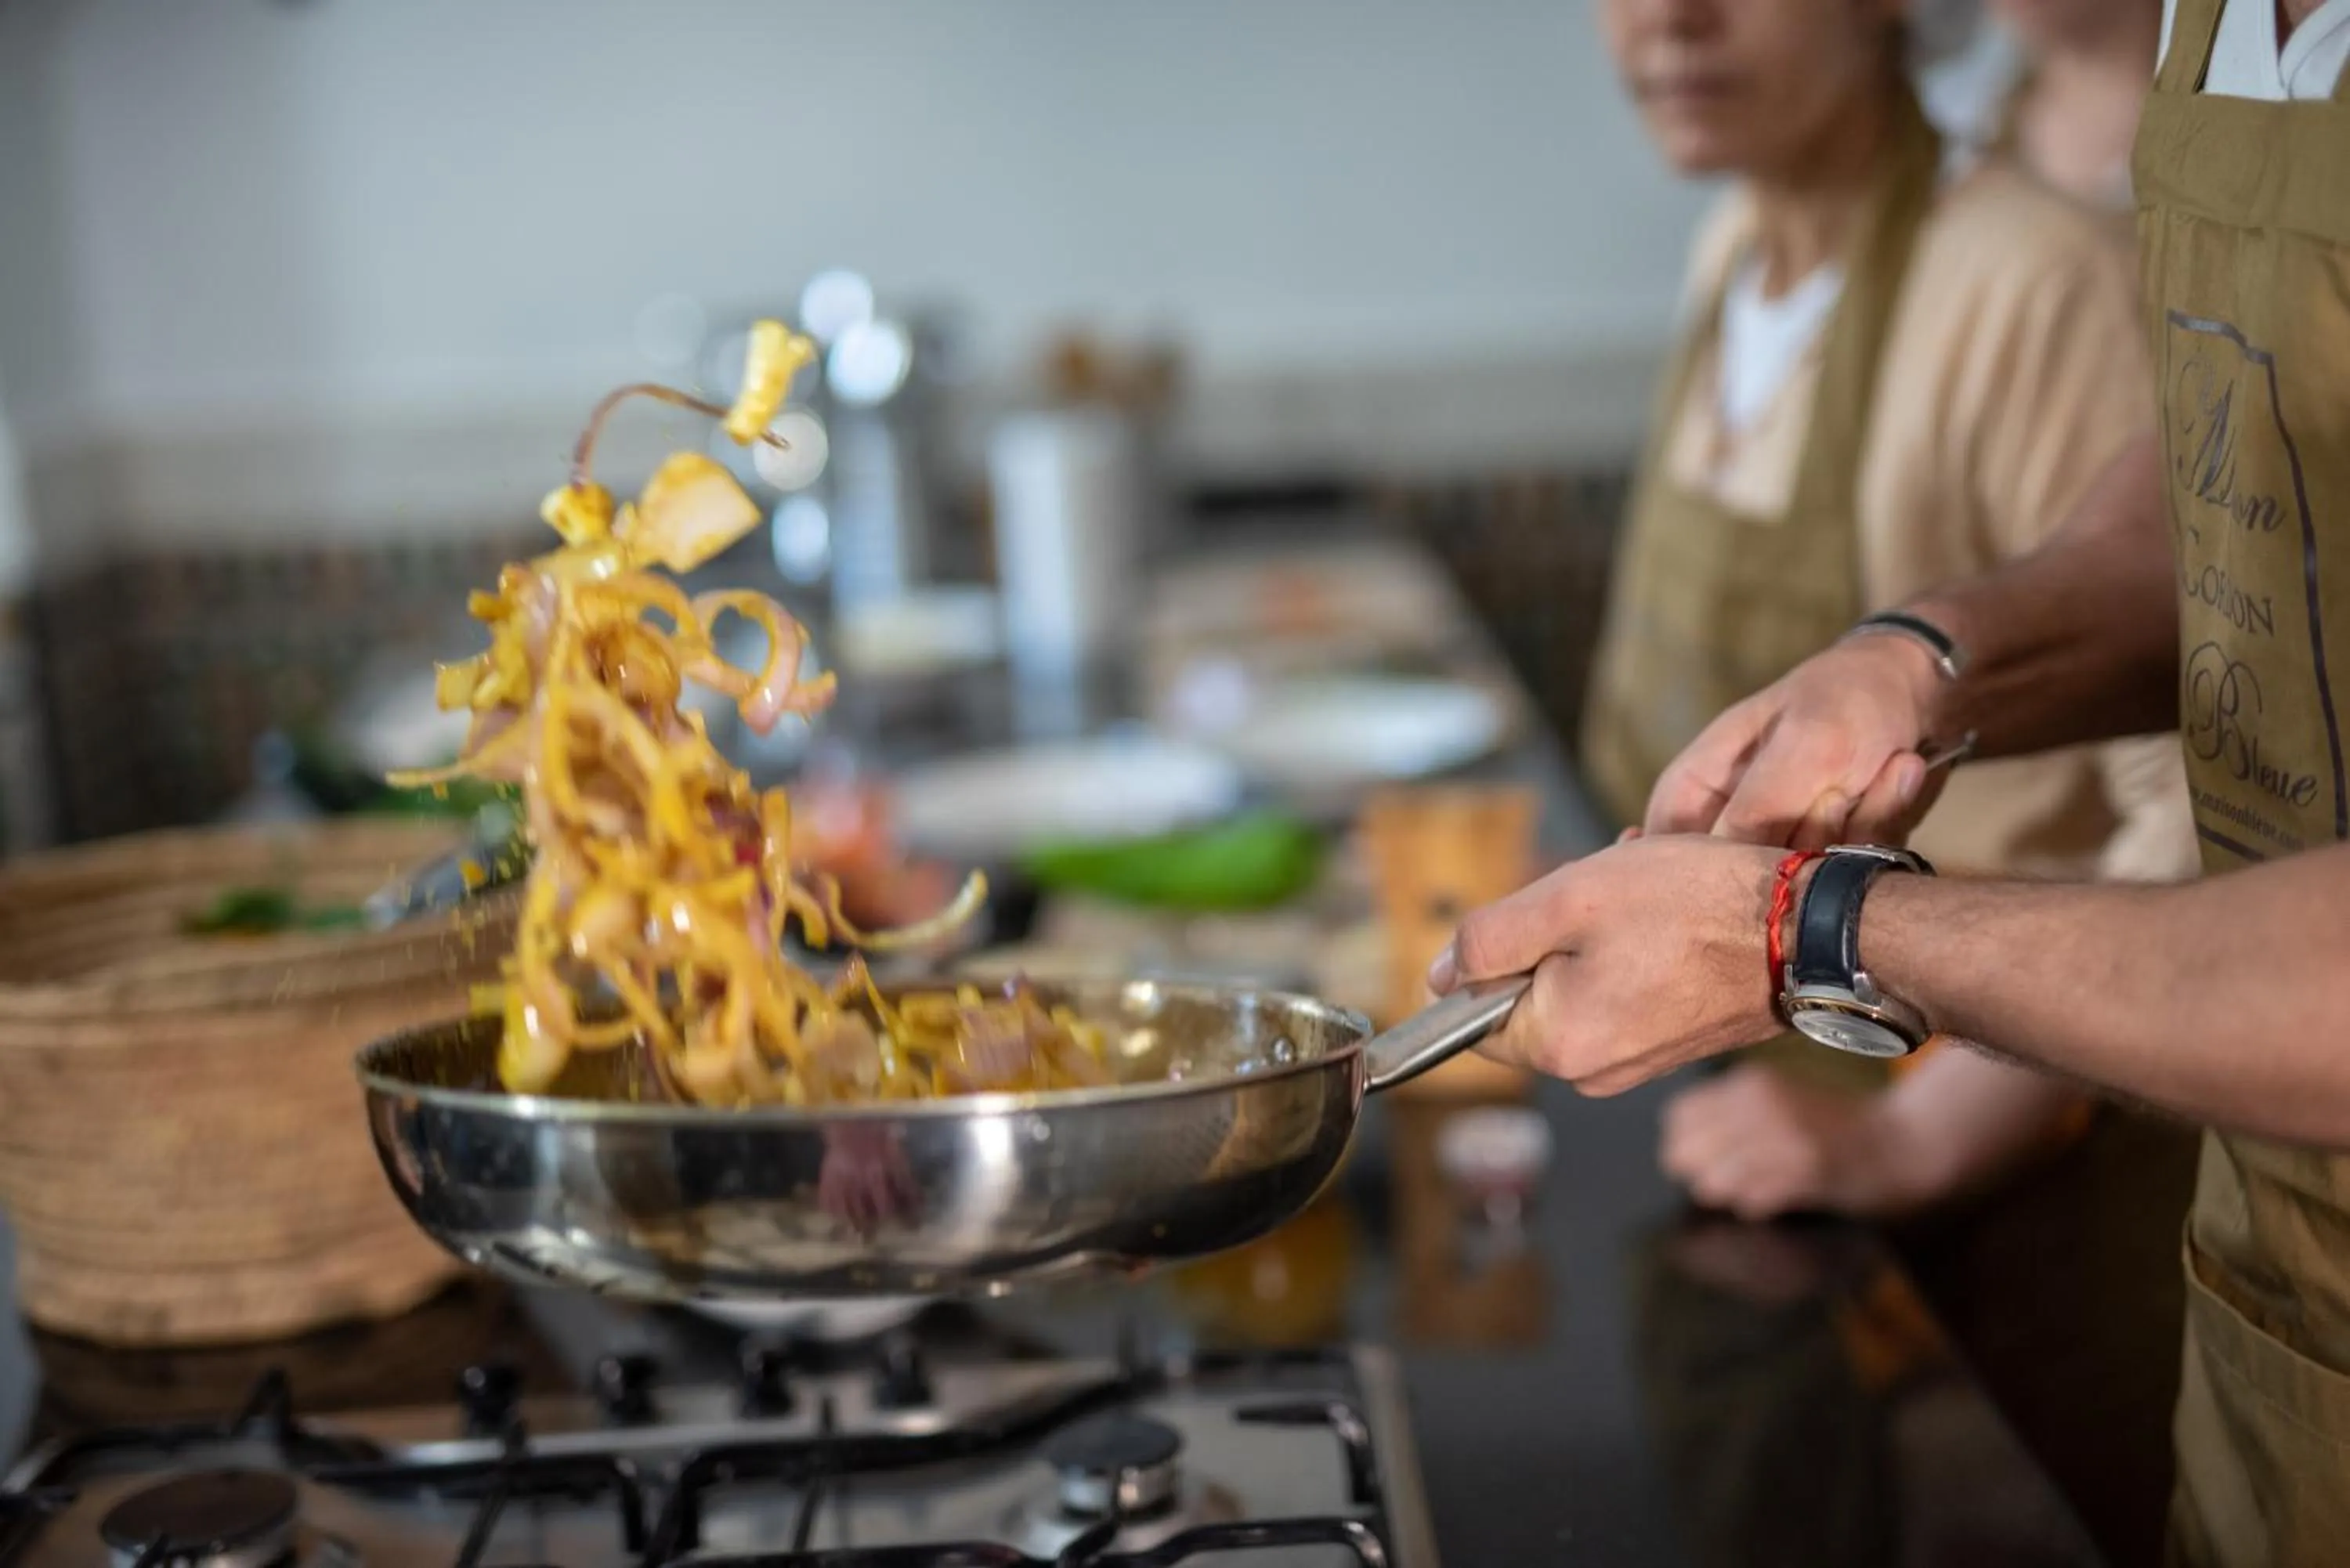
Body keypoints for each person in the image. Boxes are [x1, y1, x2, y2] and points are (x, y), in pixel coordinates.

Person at [1437, 0, 2350, 1558]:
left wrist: (1815, 934)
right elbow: (2243, 473)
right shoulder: (2216, 29)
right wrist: (1922, 649)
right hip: (2269, 1297)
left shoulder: (2015, 277)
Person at [1579, 0, 2193, 1226]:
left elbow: (2193, 828)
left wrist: (1910, 1136)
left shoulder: (2034, 282)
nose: (1670, 21)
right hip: (1735, 1075)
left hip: (1991, 1156)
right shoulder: (1732, 252)